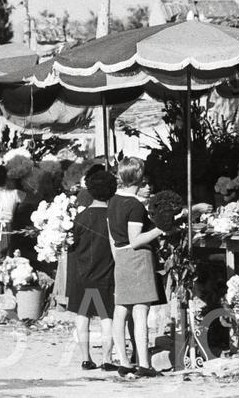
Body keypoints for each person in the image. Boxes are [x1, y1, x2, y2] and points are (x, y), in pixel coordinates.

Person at [108, 157, 166, 378]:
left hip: (121, 257)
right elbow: (135, 239)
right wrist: (162, 228)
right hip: (136, 258)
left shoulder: (113, 200)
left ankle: (124, 362)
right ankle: (144, 363)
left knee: (121, 311)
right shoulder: (134, 205)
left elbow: (116, 237)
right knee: (141, 312)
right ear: (139, 177)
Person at [68, 169, 118, 372]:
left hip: (82, 275)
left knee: (83, 316)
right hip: (107, 274)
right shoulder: (114, 218)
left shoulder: (79, 218)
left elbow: (72, 245)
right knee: (108, 318)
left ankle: (86, 358)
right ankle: (107, 359)